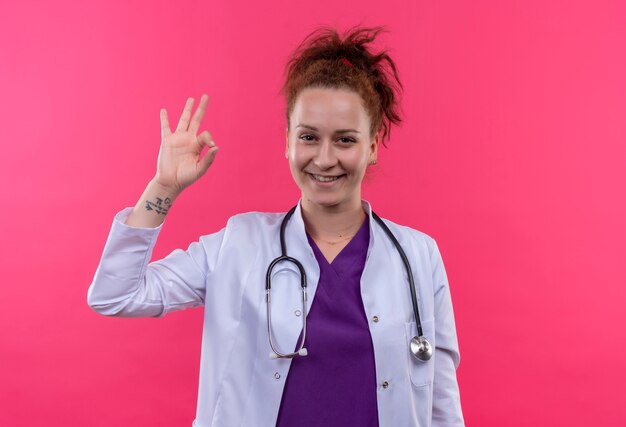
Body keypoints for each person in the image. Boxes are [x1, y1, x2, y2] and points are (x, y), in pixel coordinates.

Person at [87, 25, 464, 427]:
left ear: (372, 145)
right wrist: (163, 187)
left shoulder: (418, 256)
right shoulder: (238, 244)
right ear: (287, 141)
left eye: (345, 140)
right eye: (308, 137)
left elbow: (440, 401)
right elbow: (115, 295)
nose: (323, 158)